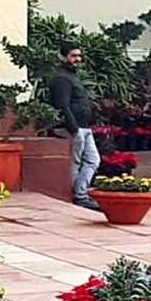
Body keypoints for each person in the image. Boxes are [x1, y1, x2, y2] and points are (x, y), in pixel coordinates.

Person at [48, 42, 102, 210]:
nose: (77, 59)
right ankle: (80, 195)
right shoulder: (62, 78)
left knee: (93, 159)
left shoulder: (72, 76)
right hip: (75, 128)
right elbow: (62, 105)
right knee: (75, 161)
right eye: (73, 56)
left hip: (85, 127)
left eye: (79, 55)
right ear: (63, 57)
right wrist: (74, 129)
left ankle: (80, 192)